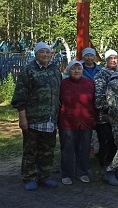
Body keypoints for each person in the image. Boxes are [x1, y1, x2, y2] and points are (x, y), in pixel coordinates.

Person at [11, 42, 62, 190]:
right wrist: (22, 117)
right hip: (33, 117)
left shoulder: (54, 69)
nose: (45, 55)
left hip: (51, 117)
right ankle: (29, 177)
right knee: (31, 149)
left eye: (48, 52)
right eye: (42, 52)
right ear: (36, 54)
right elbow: (20, 95)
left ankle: (44, 176)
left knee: (48, 149)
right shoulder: (28, 70)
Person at [58, 60, 96, 185]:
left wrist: (94, 118)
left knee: (84, 148)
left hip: (86, 120)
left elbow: (94, 102)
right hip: (67, 121)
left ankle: (82, 172)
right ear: (69, 71)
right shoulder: (63, 84)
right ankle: (66, 174)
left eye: (78, 69)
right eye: (73, 69)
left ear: (82, 71)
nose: (76, 71)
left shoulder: (89, 83)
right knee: (67, 149)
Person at [94, 49, 118, 173]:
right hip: (104, 116)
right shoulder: (101, 75)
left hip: (117, 117)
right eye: (111, 58)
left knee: (115, 142)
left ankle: (113, 167)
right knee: (105, 142)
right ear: (106, 60)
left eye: (115, 58)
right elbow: (98, 98)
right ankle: (104, 167)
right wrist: (107, 111)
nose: (114, 61)